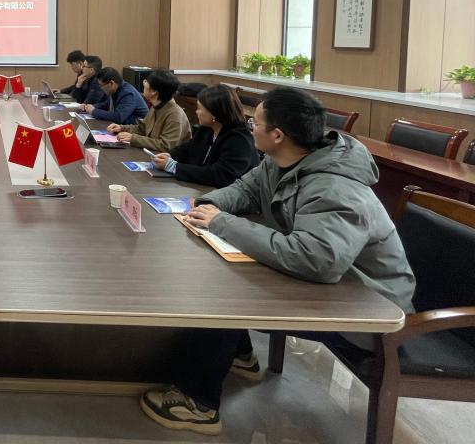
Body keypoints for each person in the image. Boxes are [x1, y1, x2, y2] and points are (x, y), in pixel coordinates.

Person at [139, 88, 415, 436]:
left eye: (255, 123)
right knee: (223, 275)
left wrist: (222, 223)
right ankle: (240, 354)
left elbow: (314, 260)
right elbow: (245, 189)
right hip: (334, 284)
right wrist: (209, 204)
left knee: (223, 298)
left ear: (278, 134)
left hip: (367, 306)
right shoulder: (281, 159)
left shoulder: (336, 187)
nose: (249, 127)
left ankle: (198, 403)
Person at [150, 85, 259, 187]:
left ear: (214, 113)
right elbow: (188, 148)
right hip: (203, 188)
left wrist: (174, 167)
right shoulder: (207, 128)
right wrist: (170, 155)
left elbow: (220, 175)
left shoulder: (239, 140)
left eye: (199, 108)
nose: (196, 112)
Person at [107, 69, 191, 151]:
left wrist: (133, 138)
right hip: (153, 154)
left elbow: (165, 145)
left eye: (146, 81)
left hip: (166, 157)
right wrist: (121, 128)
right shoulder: (156, 106)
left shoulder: (175, 114)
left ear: (154, 91)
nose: (144, 83)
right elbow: (142, 129)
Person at [80, 67, 147, 125]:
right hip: (122, 126)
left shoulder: (128, 93)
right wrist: (90, 107)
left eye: (101, 85)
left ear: (111, 83)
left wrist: (94, 111)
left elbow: (118, 117)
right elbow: (106, 105)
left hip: (136, 129)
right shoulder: (115, 89)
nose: (100, 88)